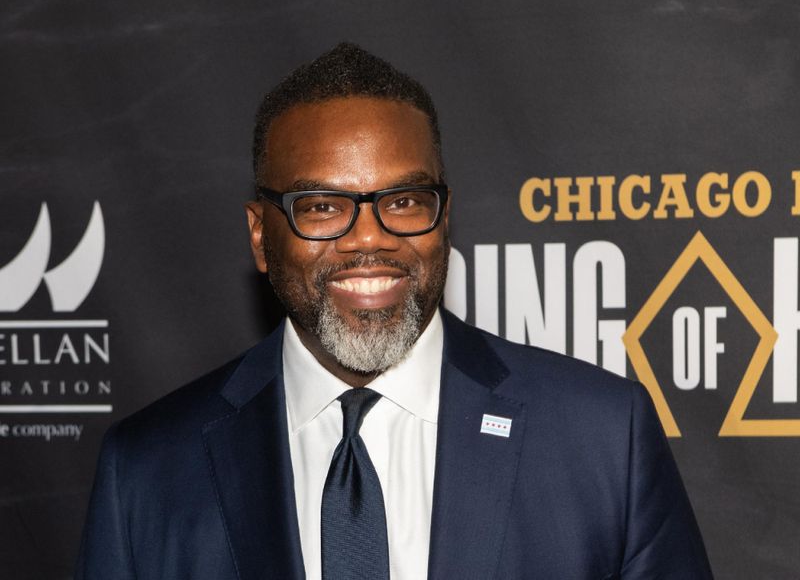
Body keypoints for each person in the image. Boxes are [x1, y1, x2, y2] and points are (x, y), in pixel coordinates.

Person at [76, 43, 713, 579]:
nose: (370, 238)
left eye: (405, 201)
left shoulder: (601, 438)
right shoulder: (148, 469)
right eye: (321, 206)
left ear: (444, 214)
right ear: (259, 236)